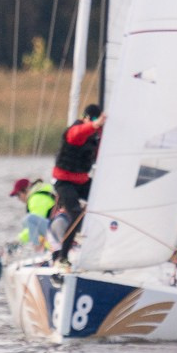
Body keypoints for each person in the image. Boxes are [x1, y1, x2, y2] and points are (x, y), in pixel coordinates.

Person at [48, 104, 104, 253]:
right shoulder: (75, 131)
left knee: (105, 202)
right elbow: (78, 133)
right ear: (85, 118)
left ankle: (95, 244)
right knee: (76, 212)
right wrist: (95, 124)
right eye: (91, 119)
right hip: (64, 182)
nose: (94, 124)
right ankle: (63, 256)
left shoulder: (97, 136)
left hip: (82, 181)